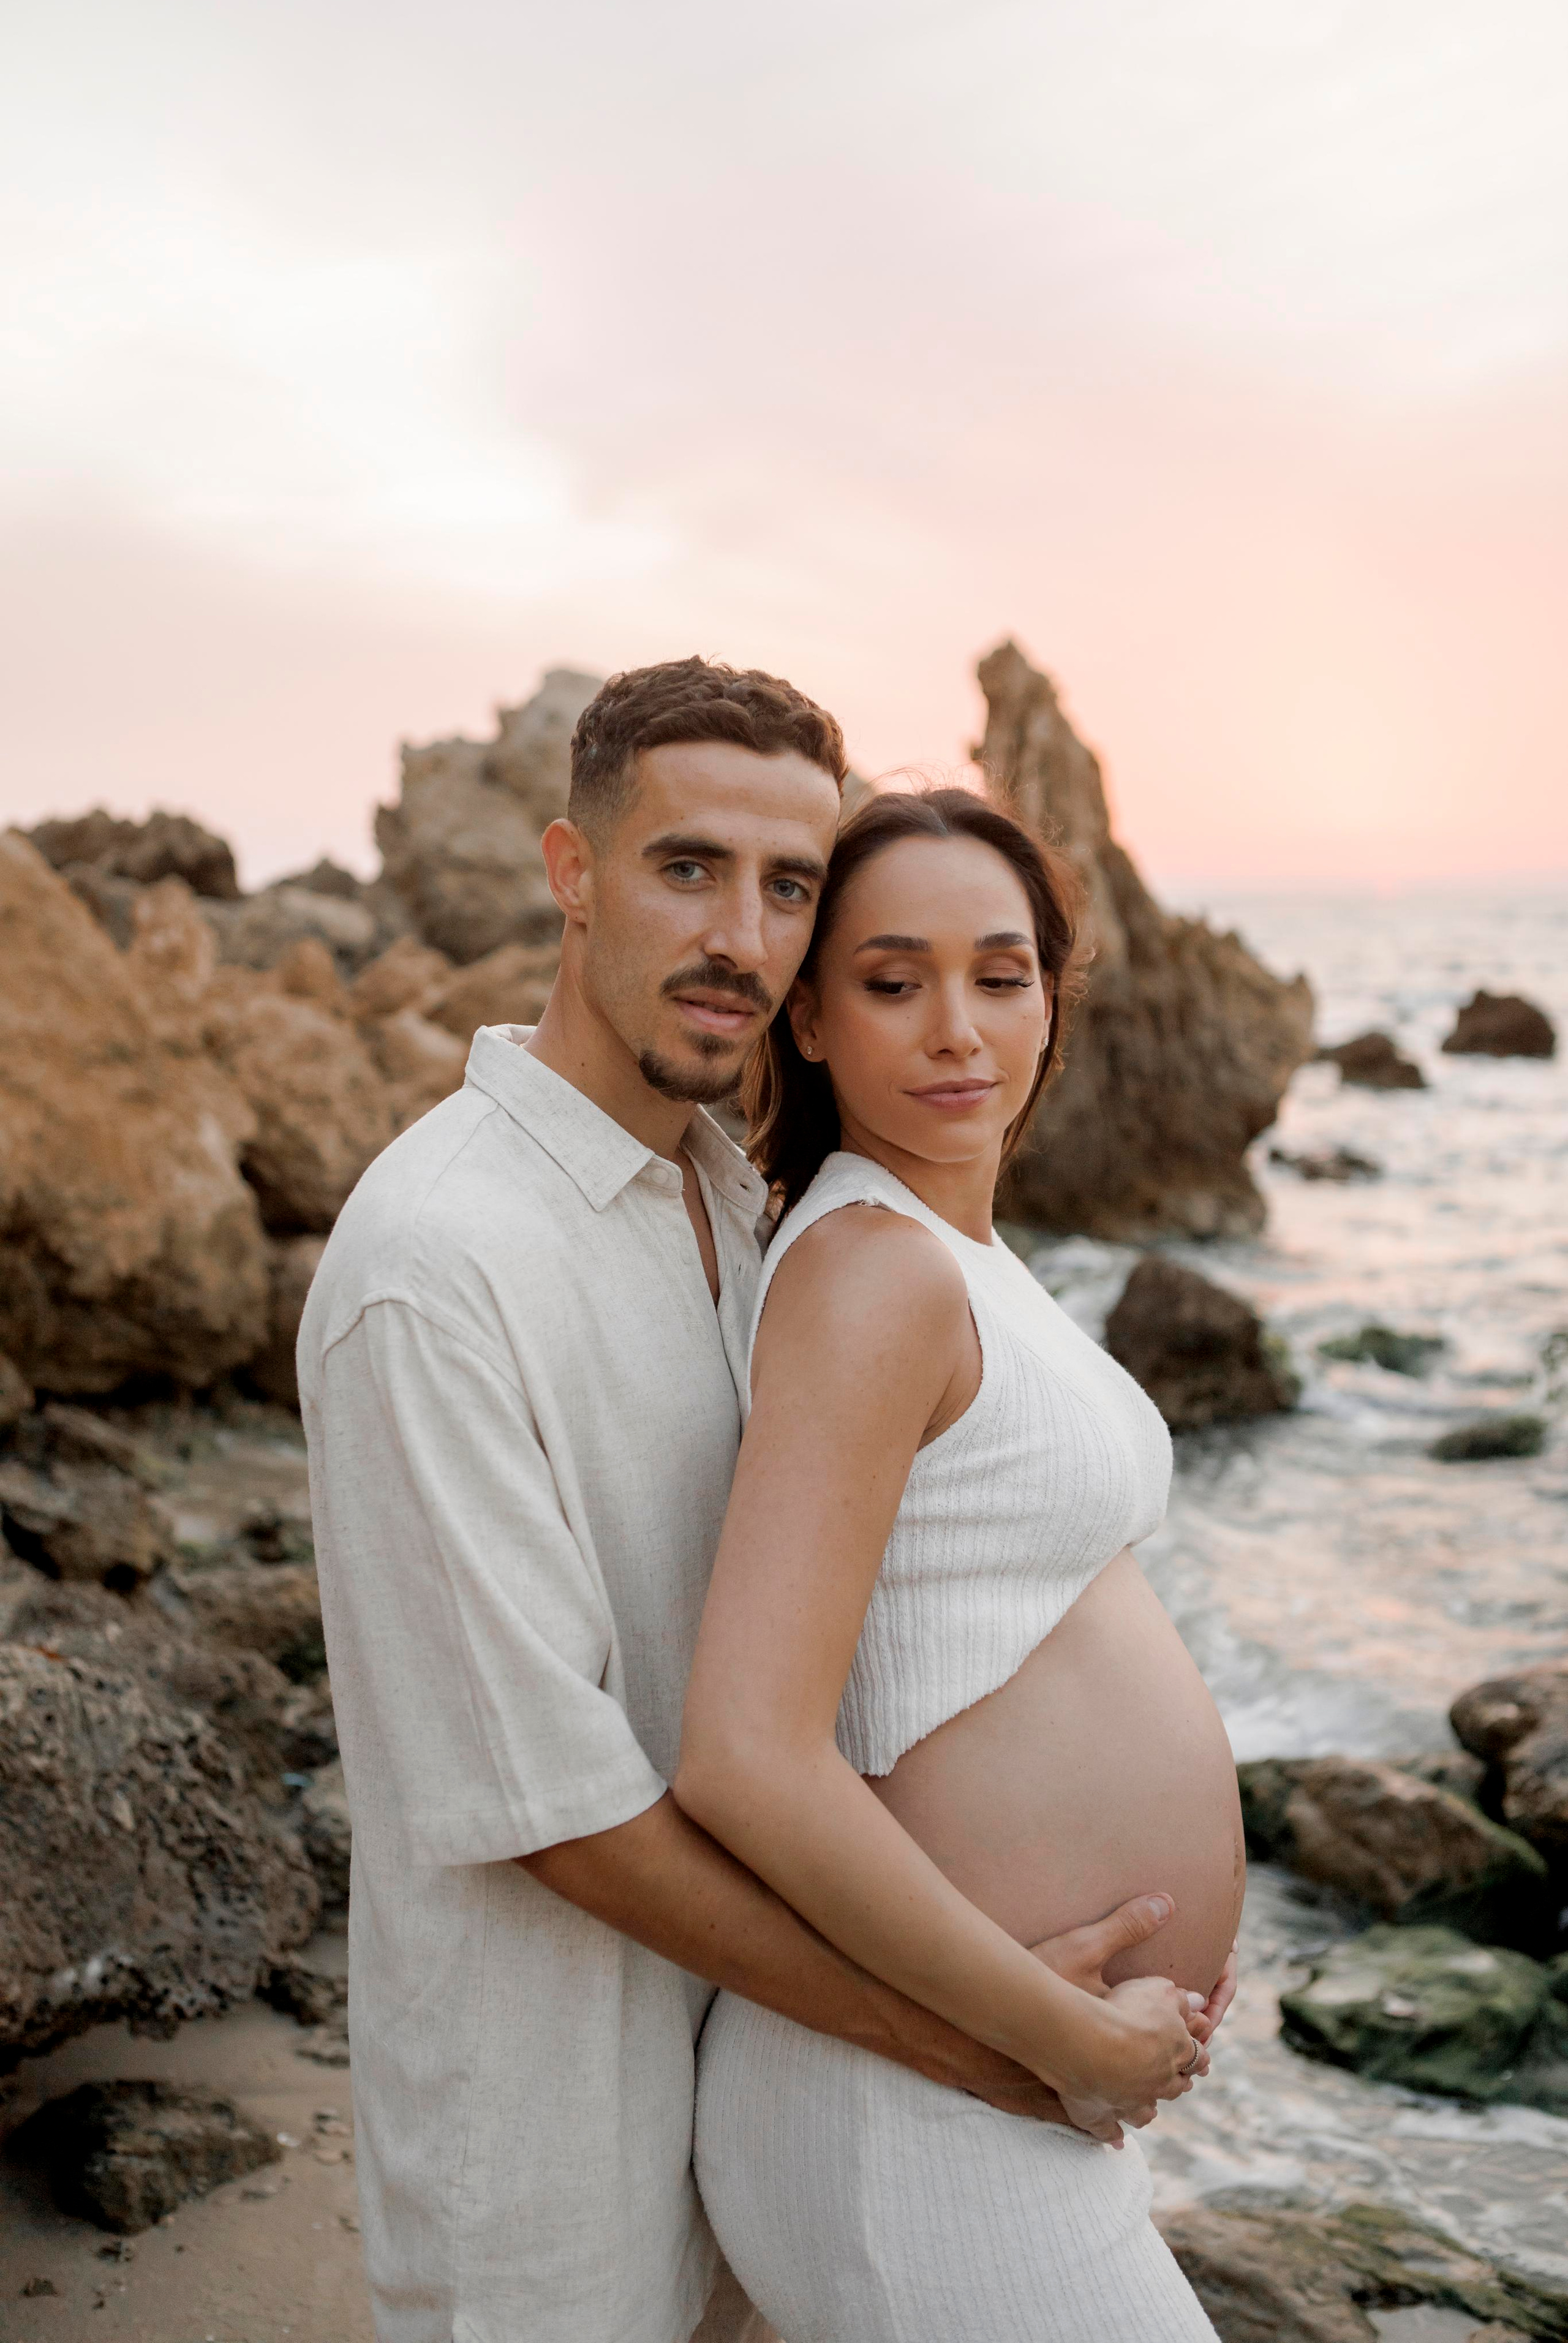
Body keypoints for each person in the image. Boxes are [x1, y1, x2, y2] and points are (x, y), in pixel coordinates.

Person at [298, 663, 1231, 2343]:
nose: (742, 931)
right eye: (686, 868)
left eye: (788, 886)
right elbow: (563, 1811)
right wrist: (988, 2031)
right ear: (571, 873)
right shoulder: (436, 1269)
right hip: (556, 2130)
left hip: (764, 2062)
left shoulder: (731, 1197)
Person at [679, 785, 1246, 2342]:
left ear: (1049, 1004)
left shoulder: (945, 1258)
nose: (954, 1029)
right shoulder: (873, 1276)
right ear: (803, 1019)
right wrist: (1056, 2032)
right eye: (889, 979)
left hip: (970, 2094)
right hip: (913, 2107)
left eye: (999, 976)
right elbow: (743, 1758)